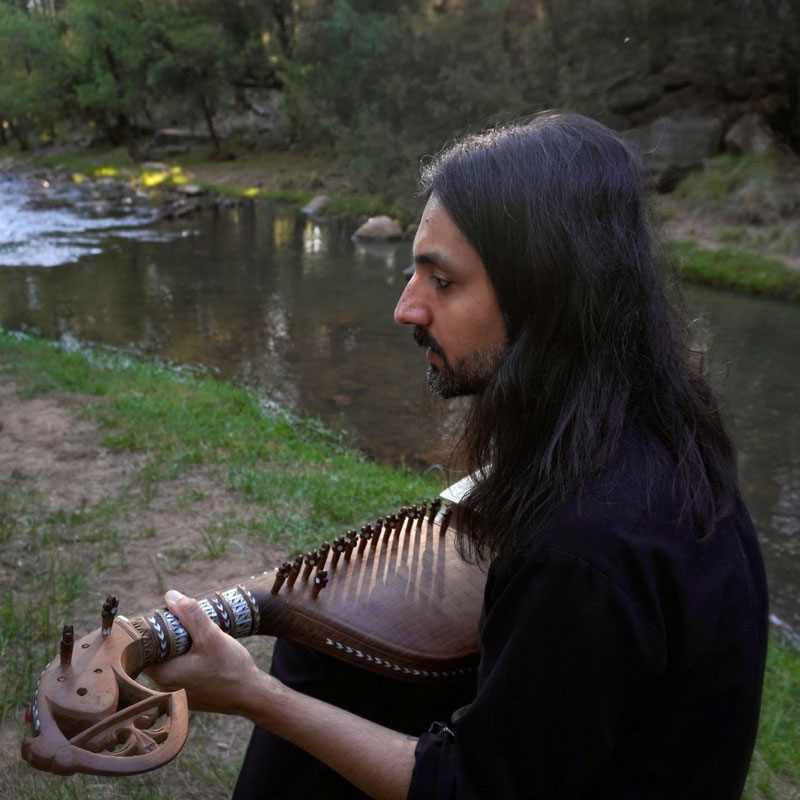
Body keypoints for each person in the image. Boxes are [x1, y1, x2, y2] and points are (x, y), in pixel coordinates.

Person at [148, 112, 769, 799]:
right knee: (327, 659)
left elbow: (472, 790)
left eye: (441, 282)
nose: (406, 309)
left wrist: (249, 694)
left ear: (547, 296)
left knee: (301, 692)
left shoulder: (581, 547)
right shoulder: (660, 427)